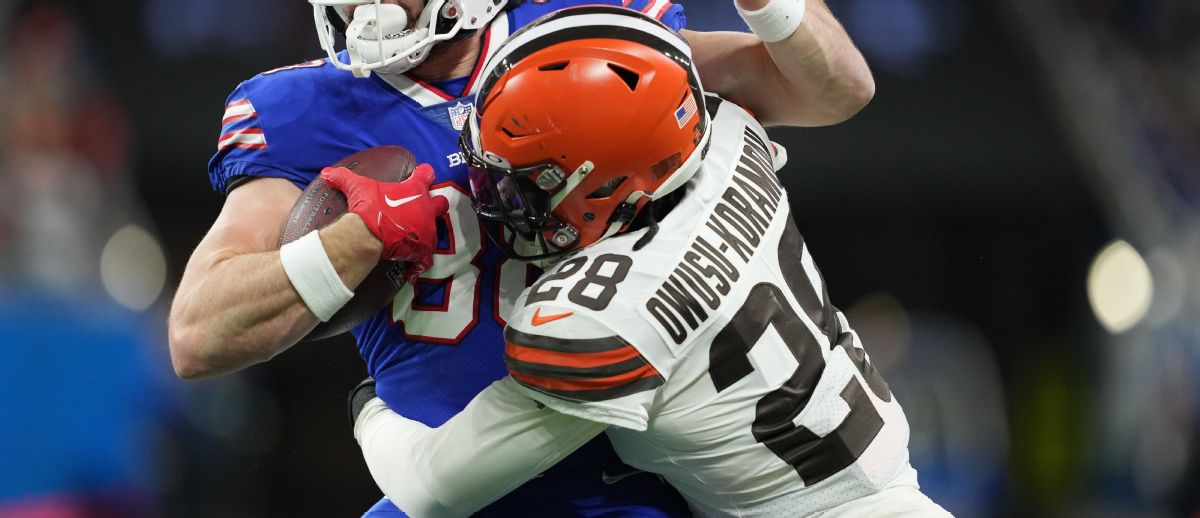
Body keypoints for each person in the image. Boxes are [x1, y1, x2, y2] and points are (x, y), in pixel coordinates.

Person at [167, 0, 874, 514]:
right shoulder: (295, 109)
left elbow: (830, 89)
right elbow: (198, 335)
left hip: (620, 474)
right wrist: (355, 240)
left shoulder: (582, 30)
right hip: (450, 467)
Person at [350, 7, 950, 517]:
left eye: (523, 183)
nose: (495, 200)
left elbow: (432, 488)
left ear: (599, 180)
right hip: (895, 489)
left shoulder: (600, 321)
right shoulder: (728, 135)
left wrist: (367, 407)